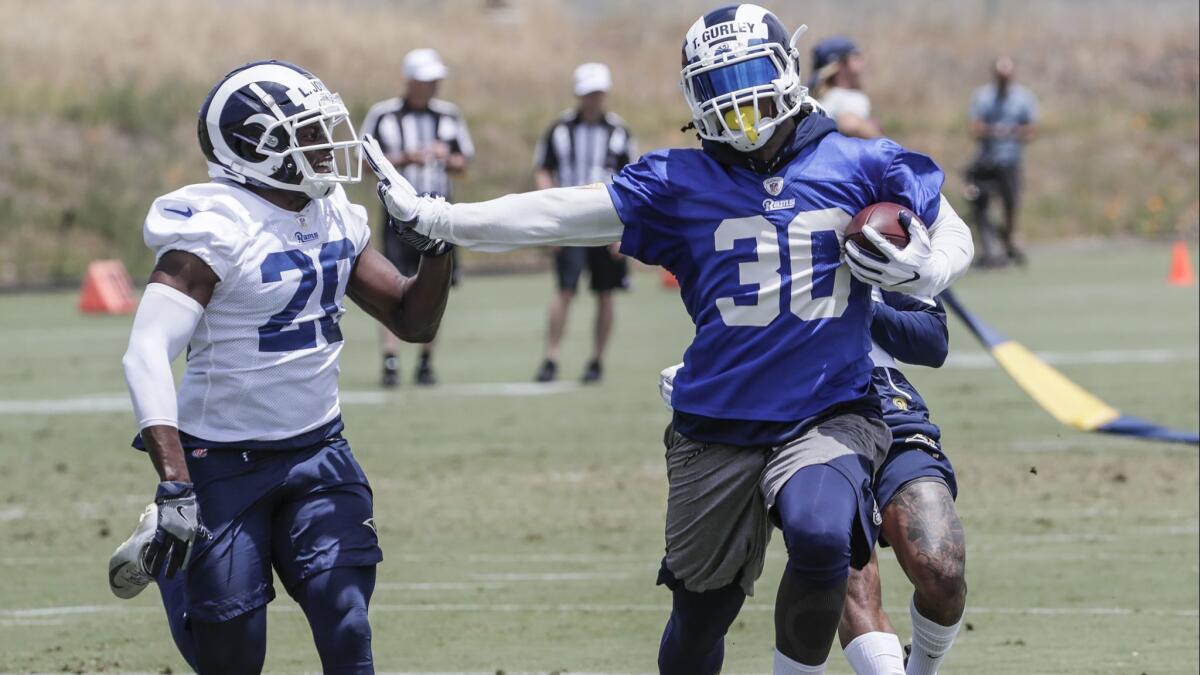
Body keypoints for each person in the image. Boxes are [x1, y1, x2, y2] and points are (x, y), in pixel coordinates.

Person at [365, 4, 973, 671]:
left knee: (823, 537)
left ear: (786, 71)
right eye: (717, 83)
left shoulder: (859, 160)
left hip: (827, 411)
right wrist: (441, 217)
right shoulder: (677, 180)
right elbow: (558, 213)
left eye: (745, 74)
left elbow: (949, 225)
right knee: (699, 618)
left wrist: (931, 267)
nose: (736, 98)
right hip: (717, 419)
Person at [107, 60, 455, 674]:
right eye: (311, 132)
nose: (328, 145)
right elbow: (145, 352)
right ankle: (173, 571)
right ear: (260, 147)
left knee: (347, 622)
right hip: (222, 460)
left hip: (319, 450)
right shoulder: (218, 224)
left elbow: (411, 321)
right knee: (233, 658)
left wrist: (435, 244)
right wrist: (174, 484)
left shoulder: (332, 212)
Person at [835, 290, 967, 675]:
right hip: (806, 415)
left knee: (942, 567)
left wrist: (860, 301)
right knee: (847, 574)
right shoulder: (763, 232)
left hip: (889, 408)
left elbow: (932, 341)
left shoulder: (873, 231)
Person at [361, 48, 474, 386]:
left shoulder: (449, 116)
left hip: (440, 213)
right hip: (399, 214)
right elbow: (367, 163)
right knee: (391, 282)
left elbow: (463, 162)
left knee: (436, 284)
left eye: (436, 80)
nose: (433, 86)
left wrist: (446, 157)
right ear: (410, 81)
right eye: (426, 81)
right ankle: (391, 360)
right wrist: (404, 159)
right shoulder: (383, 114)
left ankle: (426, 361)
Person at [532, 62, 637, 383]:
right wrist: (551, 215)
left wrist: (625, 229)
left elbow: (633, 179)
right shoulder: (559, 130)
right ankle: (551, 357)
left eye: (598, 92)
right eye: (589, 92)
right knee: (564, 290)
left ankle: (597, 360)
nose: (594, 98)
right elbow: (543, 170)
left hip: (606, 220)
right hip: (569, 220)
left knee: (605, 292)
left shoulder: (619, 131)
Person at [966, 56, 1037, 267]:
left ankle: (1009, 243)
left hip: (1010, 161)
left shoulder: (1023, 97)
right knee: (980, 204)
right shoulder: (983, 96)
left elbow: (1032, 130)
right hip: (986, 161)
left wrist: (1013, 132)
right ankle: (989, 247)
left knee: (1011, 205)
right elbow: (975, 128)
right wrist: (993, 131)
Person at [809, 37, 882, 140]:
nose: (862, 60)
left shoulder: (819, 99)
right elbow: (850, 124)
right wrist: (887, 146)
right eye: (856, 55)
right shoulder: (848, 97)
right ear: (842, 64)